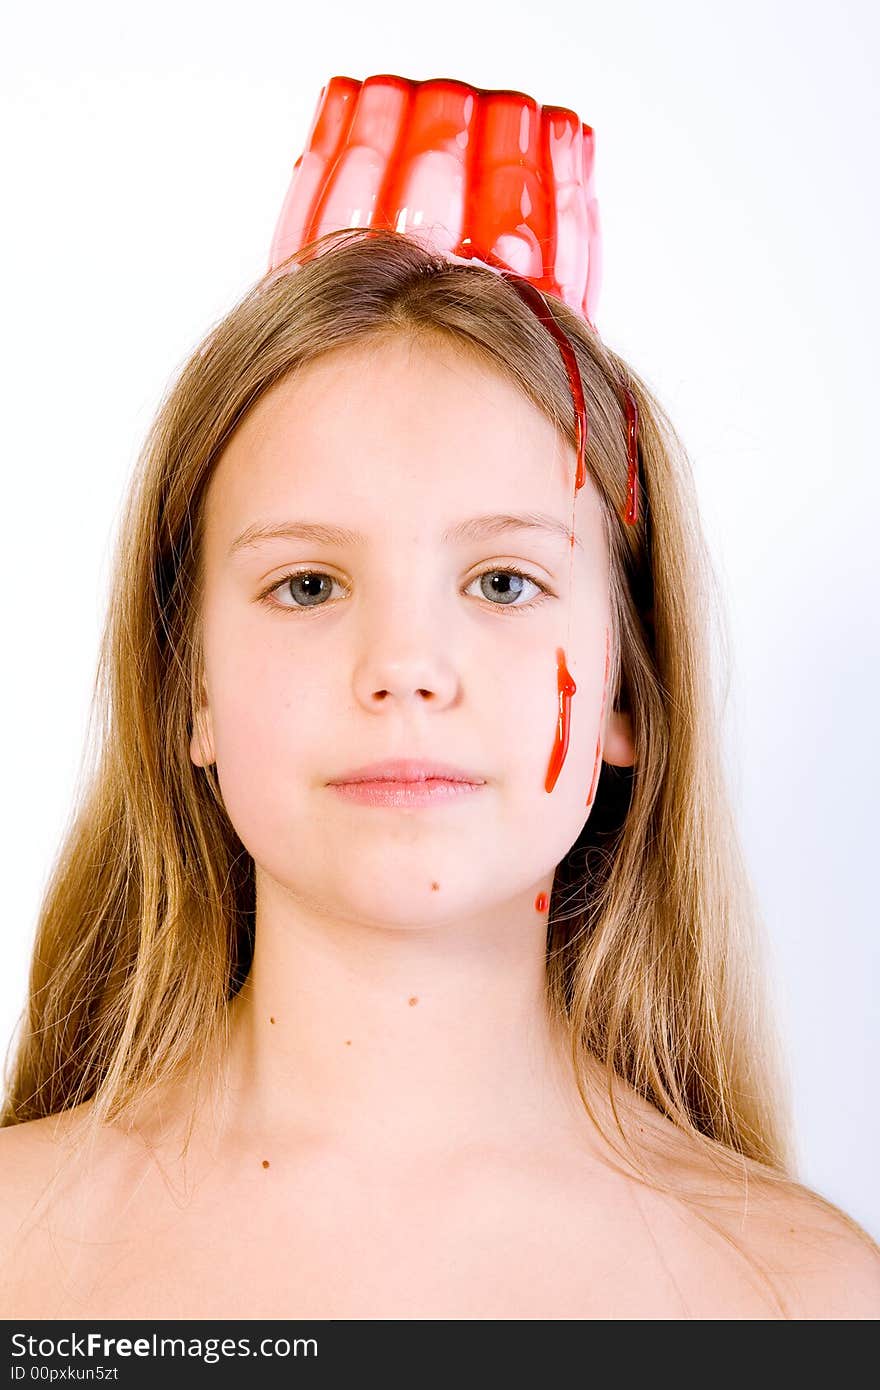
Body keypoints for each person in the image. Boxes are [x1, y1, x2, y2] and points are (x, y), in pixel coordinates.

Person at [1, 222, 878, 1320]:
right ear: (191, 690)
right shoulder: (16, 1256)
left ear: (625, 690)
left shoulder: (806, 1301)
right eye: (309, 585)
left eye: (503, 582)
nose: (404, 668)